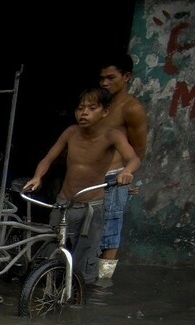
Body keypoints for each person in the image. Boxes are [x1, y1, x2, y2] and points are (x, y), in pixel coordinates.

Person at [23, 87, 141, 285]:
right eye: (80, 108)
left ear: (105, 111)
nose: (84, 113)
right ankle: (50, 289)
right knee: (53, 248)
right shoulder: (71, 132)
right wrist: (37, 177)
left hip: (91, 208)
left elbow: (133, 159)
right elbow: (48, 158)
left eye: (92, 108)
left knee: (84, 258)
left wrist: (126, 171)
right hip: (64, 203)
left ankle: (77, 294)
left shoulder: (112, 136)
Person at [98, 53, 148, 279]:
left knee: (110, 234)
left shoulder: (131, 108)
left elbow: (138, 150)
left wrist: (128, 175)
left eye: (111, 78)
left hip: (114, 178)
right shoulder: (98, 103)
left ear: (126, 76)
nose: (105, 83)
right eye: (102, 78)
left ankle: (102, 285)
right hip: (92, 178)